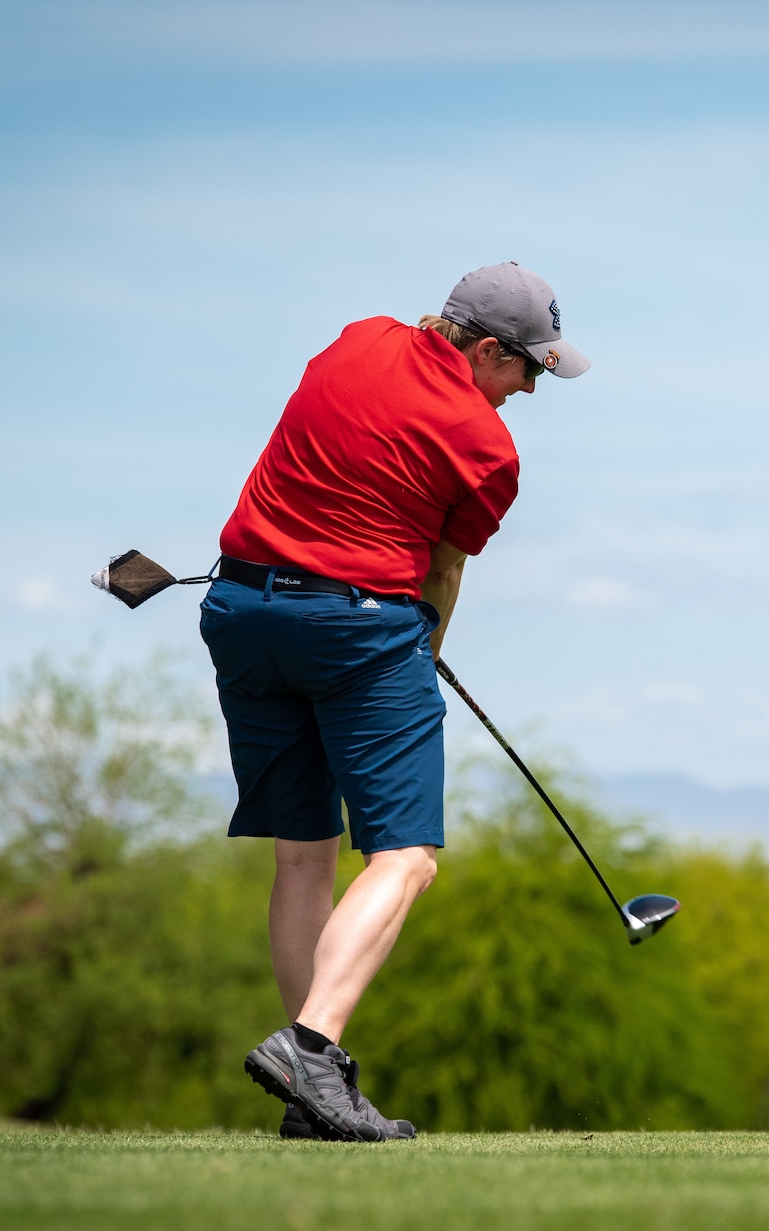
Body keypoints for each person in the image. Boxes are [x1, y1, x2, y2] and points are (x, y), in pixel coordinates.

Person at [199, 263, 589, 1142]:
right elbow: (441, 570)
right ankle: (312, 1047)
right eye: (527, 368)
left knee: (304, 856)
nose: (530, 387)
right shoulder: (488, 449)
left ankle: (313, 1097)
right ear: (487, 349)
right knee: (406, 857)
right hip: (354, 630)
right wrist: (425, 651)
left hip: (240, 610)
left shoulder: (358, 336)